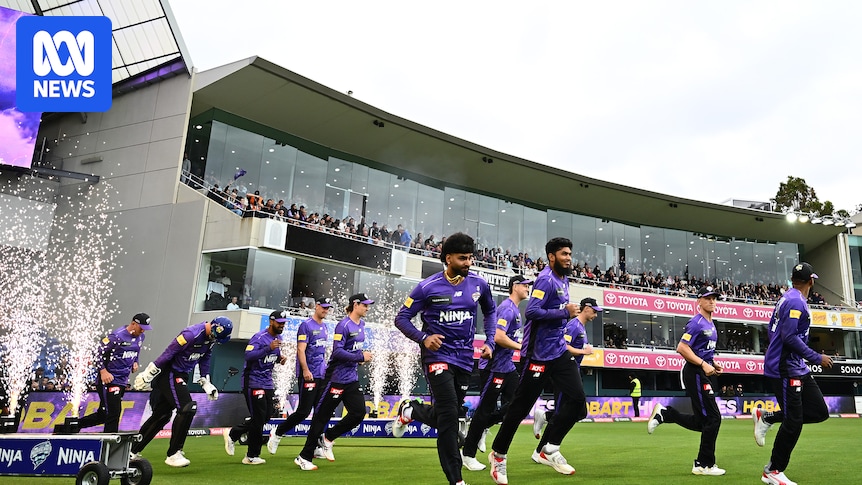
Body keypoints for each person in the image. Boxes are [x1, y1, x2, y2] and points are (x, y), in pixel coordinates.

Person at [391, 232, 497, 485]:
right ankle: (456, 479)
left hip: (464, 358)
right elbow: (401, 318)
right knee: (449, 414)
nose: (468, 263)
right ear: (448, 258)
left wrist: (490, 341)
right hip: (436, 357)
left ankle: (411, 410)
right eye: (463, 258)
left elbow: (490, 311)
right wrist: (423, 338)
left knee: (448, 413)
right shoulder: (427, 287)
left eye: (470, 258)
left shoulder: (479, 284)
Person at [488, 237, 583, 484]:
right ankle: (498, 455)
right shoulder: (545, 279)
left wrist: (565, 316)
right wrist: (565, 313)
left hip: (559, 351)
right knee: (519, 409)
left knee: (578, 405)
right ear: (551, 256)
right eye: (563, 254)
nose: (568, 258)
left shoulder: (565, 278)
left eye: (570, 254)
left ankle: (548, 448)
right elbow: (531, 312)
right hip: (537, 355)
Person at [754, 262, 833, 485]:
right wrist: (817, 357)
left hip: (794, 365)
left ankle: (767, 417)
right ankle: (773, 470)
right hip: (786, 368)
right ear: (811, 281)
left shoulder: (787, 297)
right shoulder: (795, 301)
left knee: (819, 411)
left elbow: (772, 330)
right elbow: (789, 337)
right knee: (794, 422)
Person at [131, 317, 233, 467]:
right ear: (214, 328)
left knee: (162, 416)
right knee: (187, 407)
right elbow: (168, 353)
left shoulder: (210, 339)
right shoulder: (190, 334)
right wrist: (148, 374)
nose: (215, 341)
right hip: (170, 373)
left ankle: (131, 451)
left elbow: (205, 358)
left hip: (181, 374)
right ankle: (173, 453)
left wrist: (205, 381)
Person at [647, 286, 725, 476]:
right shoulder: (696, 323)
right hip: (694, 372)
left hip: (702, 371)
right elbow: (682, 348)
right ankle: (703, 464)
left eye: (714, 298)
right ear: (699, 301)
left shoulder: (711, 324)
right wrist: (703, 364)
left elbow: (703, 351)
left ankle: (666, 414)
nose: (712, 301)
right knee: (713, 418)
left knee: (703, 422)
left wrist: (713, 364)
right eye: (708, 298)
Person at [294, 294, 374, 471]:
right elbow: (337, 352)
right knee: (321, 418)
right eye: (365, 305)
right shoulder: (343, 325)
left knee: (359, 412)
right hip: (335, 379)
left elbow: (351, 351)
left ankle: (328, 438)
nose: (368, 308)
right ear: (356, 305)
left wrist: (358, 358)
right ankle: (304, 457)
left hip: (351, 378)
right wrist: (360, 356)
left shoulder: (362, 325)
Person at [461, 275, 532, 472]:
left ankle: (486, 425)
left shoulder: (515, 310)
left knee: (519, 404)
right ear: (515, 287)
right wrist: (521, 347)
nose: (528, 288)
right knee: (484, 411)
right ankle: (467, 454)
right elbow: (499, 336)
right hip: (493, 368)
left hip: (507, 367)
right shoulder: (507, 309)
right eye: (525, 285)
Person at [532, 298, 597, 455]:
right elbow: (564, 347)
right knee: (566, 411)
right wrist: (584, 352)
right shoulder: (574, 325)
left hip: (572, 372)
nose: (596, 314)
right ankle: (542, 450)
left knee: (579, 412)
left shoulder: (580, 327)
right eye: (594, 310)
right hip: (564, 373)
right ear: (586, 308)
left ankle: (545, 418)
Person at [268, 297, 333, 453]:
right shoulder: (306, 326)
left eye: (327, 308)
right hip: (308, 375)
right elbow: (300, 350)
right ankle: (277, 433)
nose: (325, 310)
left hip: (321, 375)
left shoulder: (324, 327)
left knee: (321, 412)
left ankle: (316, 446)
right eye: (323, 307)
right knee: (303, 412)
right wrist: (305, 370)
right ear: (316, 307)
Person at [224, 311, 288, 465]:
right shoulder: (259, 338)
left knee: (266, 416)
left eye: (283, 323)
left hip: (267, 382)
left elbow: (273, 355)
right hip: (252, 381)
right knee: (258, 419)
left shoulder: (278, 338)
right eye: (279, 322)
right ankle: (251, 456)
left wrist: (280, 359)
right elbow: (248, 356)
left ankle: (234, 433)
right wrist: (268, 348)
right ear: (271, 321)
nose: (282, 325)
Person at [75, 313, 152, 433]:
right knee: (114, 412)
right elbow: (97, 353)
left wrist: (135, 362)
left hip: (122, 380)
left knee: (104, 415)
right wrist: (103, 371)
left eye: (145, 328)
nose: (143, 331)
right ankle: (109, 446)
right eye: (141, 327)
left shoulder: (141, 337)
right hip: (108, 380)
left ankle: (75, 425)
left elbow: (137, 350)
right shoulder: (116, 336)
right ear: (133, 324)